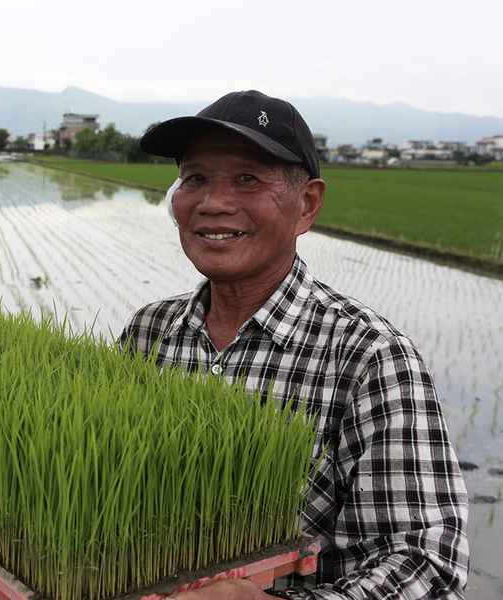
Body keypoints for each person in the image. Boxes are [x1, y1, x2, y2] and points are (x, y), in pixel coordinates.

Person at [119, 90, 469, 599]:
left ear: (307, 205)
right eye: (195, 179)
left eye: (248, 179)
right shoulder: (149, 332)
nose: (213, 203)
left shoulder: (370, 356)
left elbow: (429, 565)